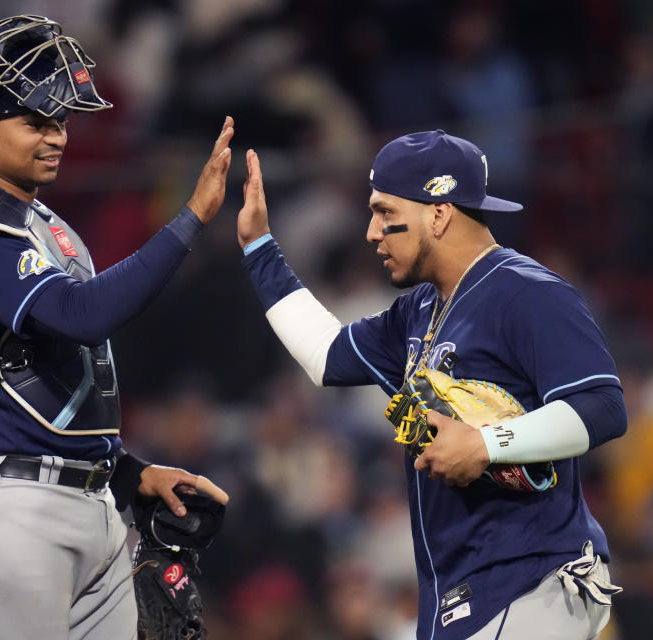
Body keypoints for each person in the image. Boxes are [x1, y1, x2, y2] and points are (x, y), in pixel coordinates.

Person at [235, 130, 628, 639]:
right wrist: (259, 248)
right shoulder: (418, 312)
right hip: (462, 591)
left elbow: (601, 405)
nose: (372, 232)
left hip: (528, 574)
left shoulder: (527, 292)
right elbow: (325, 355)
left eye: (383, 211)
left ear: (438, 213)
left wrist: (488, 443)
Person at [0, 15, 230, 640]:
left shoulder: (49, 228)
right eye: (35, 121)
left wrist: (127, 470)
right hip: (10, 508)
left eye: (60, 122)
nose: (55, 136)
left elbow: (65, 380)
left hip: (90, 501)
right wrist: (190, 219)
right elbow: (81, 315)